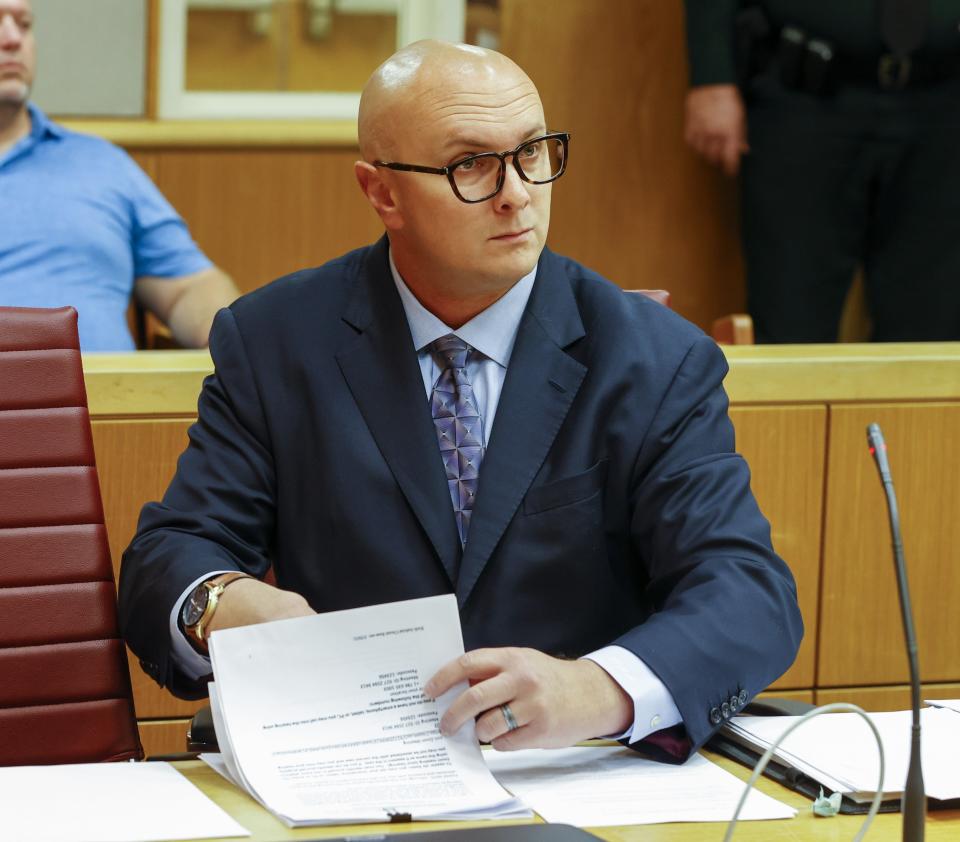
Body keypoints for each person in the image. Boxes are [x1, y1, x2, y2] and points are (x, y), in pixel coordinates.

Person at [119, 40, 802, 762]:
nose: (517, 191)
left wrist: (597, 689)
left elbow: (748, 592)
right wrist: (221, 604)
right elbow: (169, 555)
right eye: (471, 164)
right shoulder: (277, 342)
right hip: (354, 765)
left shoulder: (653, 357)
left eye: (533, 152)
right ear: (382, 191)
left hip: (575, 771)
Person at [683, 0, 960, 343]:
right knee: (792, 321)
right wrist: (712, 73)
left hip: (946, 102)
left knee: (934, 331)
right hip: (804, 94)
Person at [0, 0, 238, 351]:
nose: (12, 38)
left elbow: (191, 287)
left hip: (111, 401)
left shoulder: (102, 163)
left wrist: (235, 343)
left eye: (23, 23)